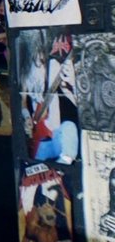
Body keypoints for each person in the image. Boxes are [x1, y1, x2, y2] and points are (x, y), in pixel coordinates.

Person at [19, 31, 79, 164]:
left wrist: (72, 84)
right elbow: (22, 102)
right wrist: (27, 117)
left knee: (69, 127)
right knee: (36, 168)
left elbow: (76, 102)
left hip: (56, 133)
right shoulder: (25, 74)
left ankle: (65, 162)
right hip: (39, 137)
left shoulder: (53, 65)